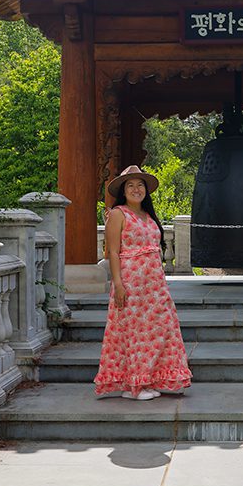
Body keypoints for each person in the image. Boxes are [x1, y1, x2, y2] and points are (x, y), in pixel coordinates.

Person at [94, 165, 193, 401]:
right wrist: (118, 284)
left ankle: (153, 378)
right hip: (131, 282)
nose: (136, 189)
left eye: (140, 185)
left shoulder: (148, 216)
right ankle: (133, 386)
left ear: (146, 191)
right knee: (135, 333)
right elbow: (114, 252)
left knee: (160, 329)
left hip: (154, 284)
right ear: (123, 191)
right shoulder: (118, 214)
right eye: (131, 185)